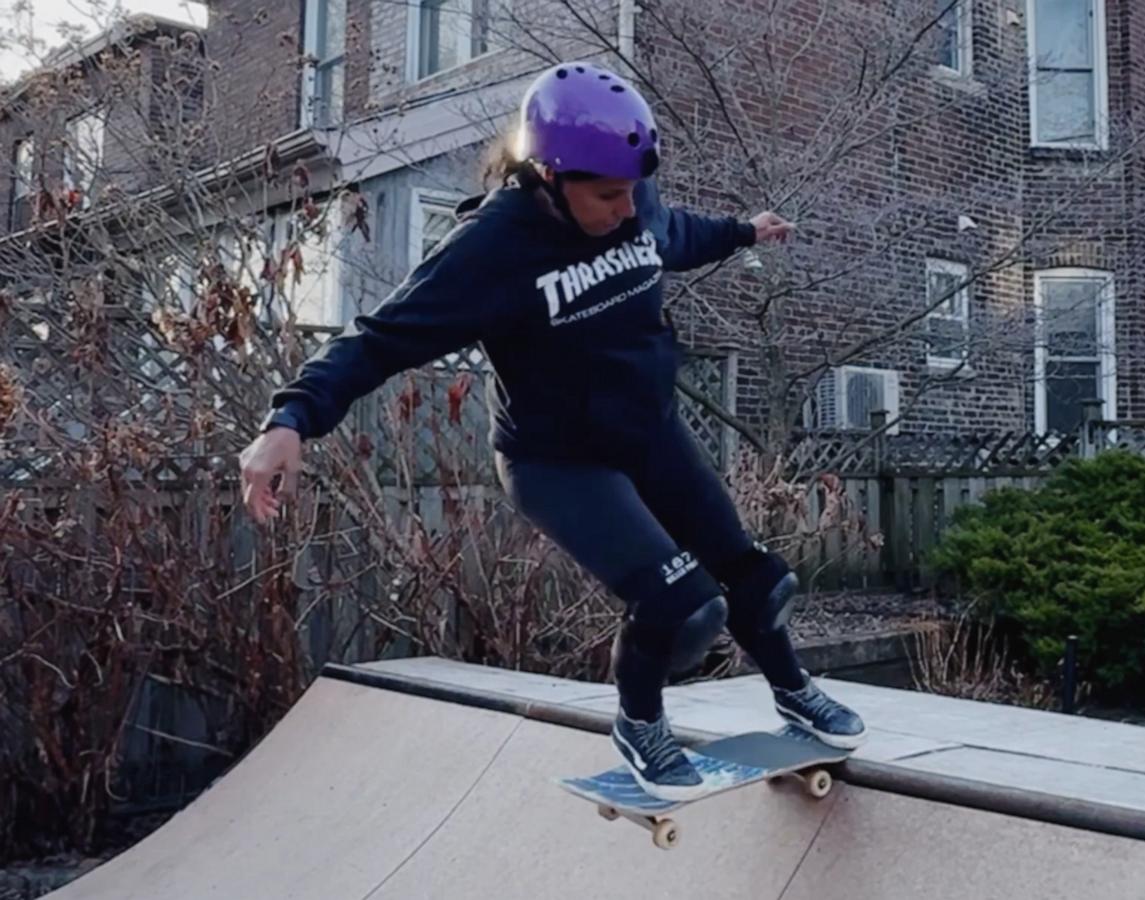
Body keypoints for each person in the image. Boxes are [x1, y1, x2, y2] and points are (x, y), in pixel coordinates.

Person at [237, 62, 866, 801]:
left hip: (649, 433)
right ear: (547, 174)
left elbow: (667, 234)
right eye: (606, 197)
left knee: (758, 581)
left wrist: (740, 232)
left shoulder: (630, 196)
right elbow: (380, 339)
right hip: (558, 462)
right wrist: (290, 419)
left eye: (633, 191)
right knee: (682, 607)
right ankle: (641, 726)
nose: (625, 210)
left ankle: (793, 690)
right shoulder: (491, 249)